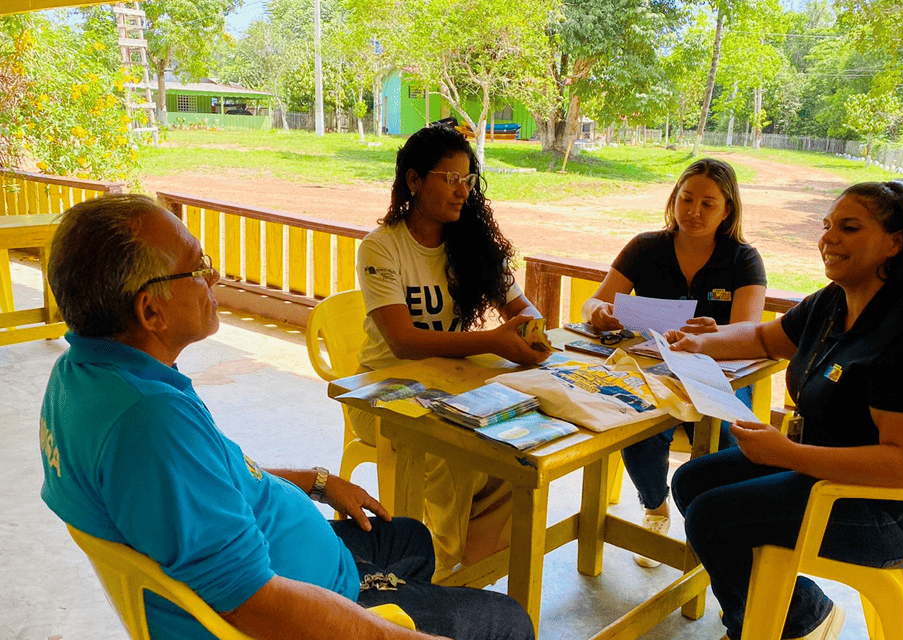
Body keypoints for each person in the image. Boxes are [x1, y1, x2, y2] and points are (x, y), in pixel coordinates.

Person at [38, 193, 535, 640]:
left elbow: (202, 482)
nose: (214, 277)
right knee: (509, 622)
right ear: (152, 312)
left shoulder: (83, 376)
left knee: (412, 538)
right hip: (307, 603)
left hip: (295, 557)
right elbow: (256, 605)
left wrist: (315, 482)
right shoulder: (149, 424)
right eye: (196, 269)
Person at [667, 182, 903, 640]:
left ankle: (776, 626)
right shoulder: (835, 301)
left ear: (895, 242)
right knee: (691, 480)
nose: (828, 239)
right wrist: (700, 344)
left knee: (713, 517)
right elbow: (767, 338)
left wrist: (785, 453)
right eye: (827, 226)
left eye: (849, 227)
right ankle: (801, 613)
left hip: (897, 509)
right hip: (828, 469)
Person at [353, 124, 547, 574]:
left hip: (450, 382)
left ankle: (476, 564)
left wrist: (532, 334)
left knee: (516, 446)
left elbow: (522, 308)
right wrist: (495, 341)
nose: (462, 192)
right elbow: (403, 342)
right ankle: (437, 574)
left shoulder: (470, 244)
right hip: (381, 393)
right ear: (414, 181)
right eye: (450, 179)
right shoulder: (382, 247)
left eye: (468, 181)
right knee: (454, 449)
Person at [580, 157, 767, 567]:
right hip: (651, 371)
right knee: (636, 424)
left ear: (728, 210)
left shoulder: (743, 260)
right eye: (686, 199)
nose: (694, 212)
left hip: (718, 378)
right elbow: (594, 300)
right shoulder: (647, 247)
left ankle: (713, 528)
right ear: (674, 199)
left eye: (708, 204)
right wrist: (597, 312)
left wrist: (712, 335)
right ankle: (655, 507)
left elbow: (748, 332)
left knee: (725, 438)